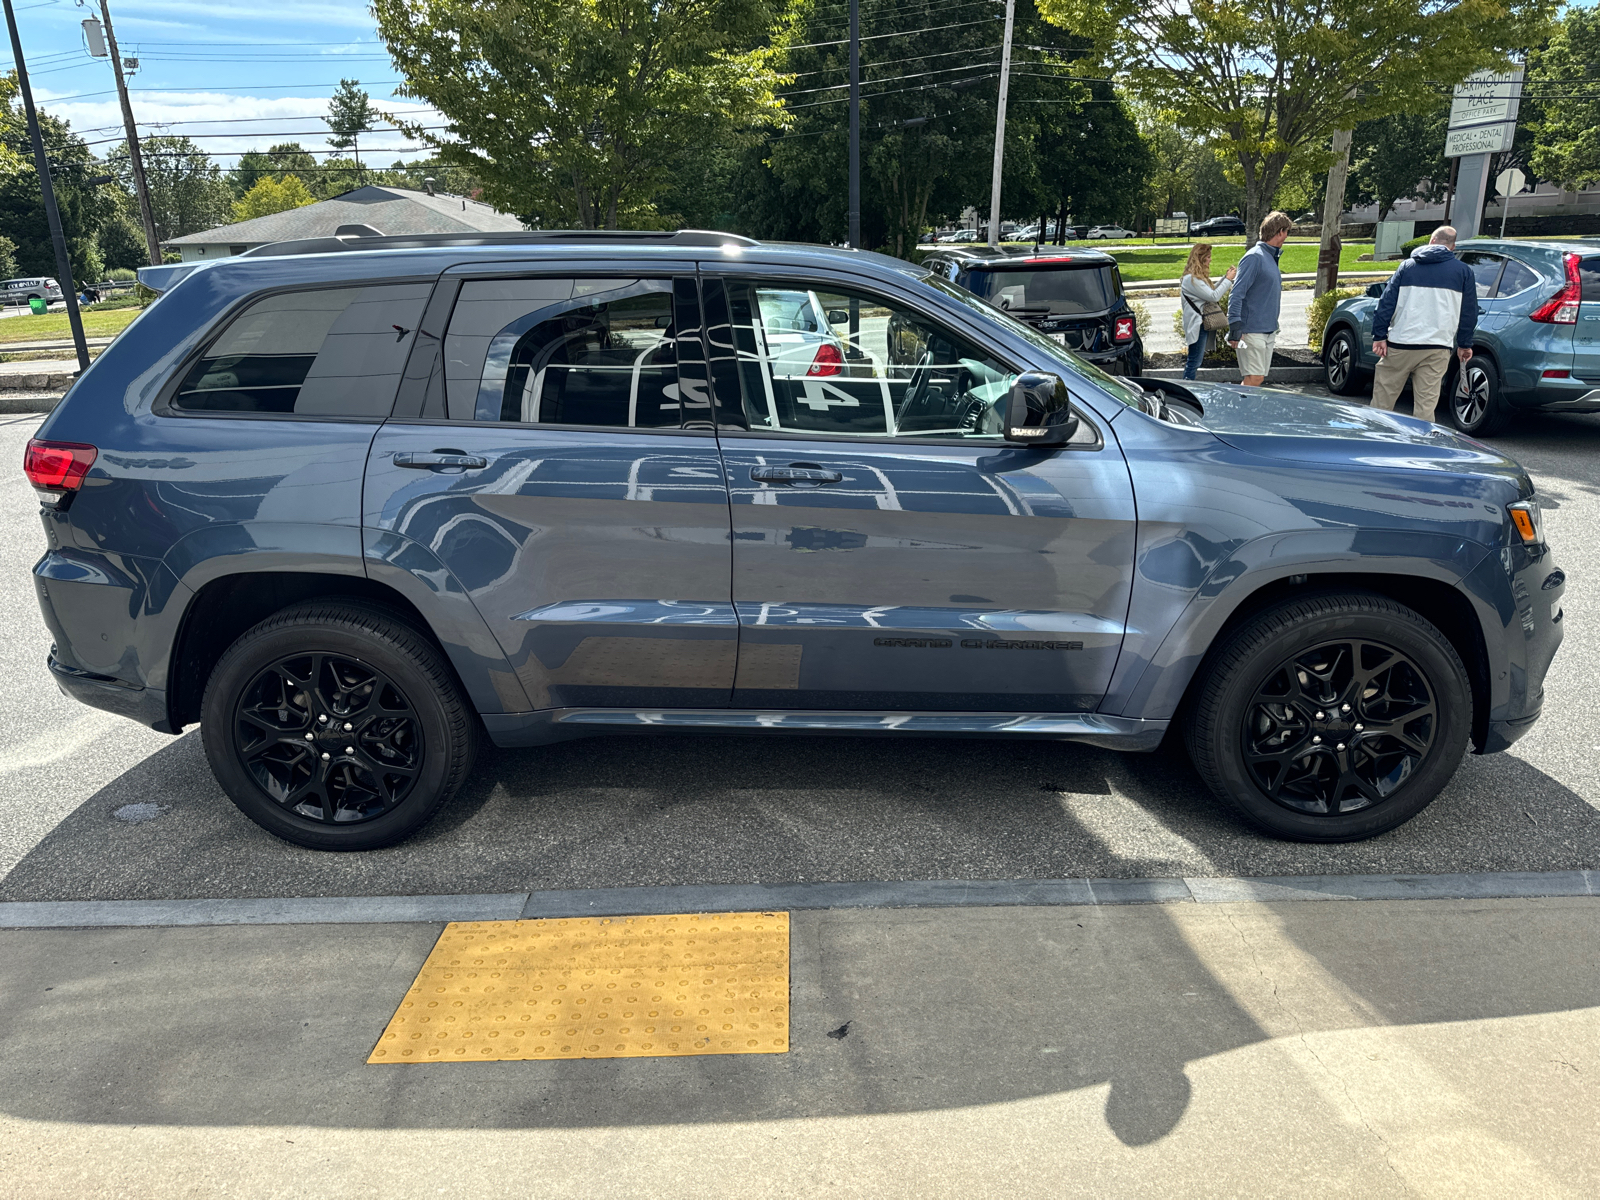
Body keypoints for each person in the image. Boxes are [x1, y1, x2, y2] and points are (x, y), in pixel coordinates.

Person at [1369, 225, 1477, 423]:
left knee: (1382, 402)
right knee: (1426, 406)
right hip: (1437, 347)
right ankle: (1421, 446)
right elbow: (1469, 312)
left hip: (1401, 344)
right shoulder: (1464, 272)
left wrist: (1379, 336)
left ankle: (1373, 443)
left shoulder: (1407, 267)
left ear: (1432, 241)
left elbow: (1386, 303)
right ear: (1452, 247)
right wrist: (1464, 344)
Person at [1226, 211, 1294, 386]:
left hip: (1267, 330)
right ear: (1280, 232)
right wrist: (1235, 326)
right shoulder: (1254, 257)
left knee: (1257, 378)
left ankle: (1244, 411)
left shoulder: (1269, 257)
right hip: (1251, 330)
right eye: (1286, 232)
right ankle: (1241, 413)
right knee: (1254, 378)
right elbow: (1236, 293)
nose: (1287, 236)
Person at [1179, 244, 1237, 380]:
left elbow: (1209, 292)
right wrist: (1228, 280)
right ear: (1201, 258)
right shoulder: (1191, 280)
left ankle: (1188, 387)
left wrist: (1225, 278)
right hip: (1197, 324)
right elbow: (1213, 296)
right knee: (1194, 361)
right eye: (1208, 257)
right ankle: (1186, 389)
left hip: (1200, 323)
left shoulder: (1195, 277)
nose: (1210, 260)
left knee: (1195, 360)